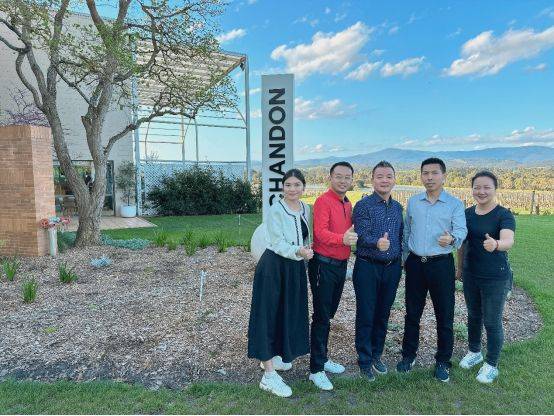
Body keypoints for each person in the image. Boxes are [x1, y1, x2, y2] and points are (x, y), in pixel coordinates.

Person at [397, 157, 467, 383]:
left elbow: (461, 231)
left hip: (441, 265)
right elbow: (407, 231)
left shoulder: (455, 204)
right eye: (425, 173)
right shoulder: (414, 202)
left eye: (434, 173)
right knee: (412, 313)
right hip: (416, 264)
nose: (429, 177)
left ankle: (443, 361)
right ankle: (408, 356)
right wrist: (405, 258)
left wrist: (452, 239)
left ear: (444, 176)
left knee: (444, 315)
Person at [247, 169, 313, 398]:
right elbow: (277, 243)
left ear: (303, 187)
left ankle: (276, 357)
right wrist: (299, 251)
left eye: (297, 185)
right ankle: (268, 375)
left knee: (286, 314)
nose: (292, 189)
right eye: (288, 185)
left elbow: (304, 235)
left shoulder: (305, 208)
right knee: (267, 316)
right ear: (283, 187)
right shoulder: (276, 210)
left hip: (294, 267)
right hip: (274, 267)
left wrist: (306, 249)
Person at [457, 171, 515, 383]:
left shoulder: (503, 215)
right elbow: (462, 243)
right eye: (477, 187)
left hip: (495, 277)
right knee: (473, 316)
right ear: (472, 189)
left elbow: (509, 240)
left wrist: (496, 244)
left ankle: (491, 364)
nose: (481, 191)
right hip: (471, 273)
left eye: (486, 187)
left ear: (495, 189)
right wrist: (459, 268)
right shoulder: (467, 214)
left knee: (492, 321)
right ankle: (474, 352)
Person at [308, 161, 358, 391]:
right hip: (323, 266)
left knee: (328, 315)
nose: (343, 180)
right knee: (321, 317)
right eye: (338, 176)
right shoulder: (323, 201)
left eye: (347, 177)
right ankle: (316, 369)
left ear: (352, 180)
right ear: (330, 178)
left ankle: (323, 358)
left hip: (340, 266)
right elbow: (320, 233)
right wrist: (342, 239)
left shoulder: (347, 203)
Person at [352, 161, 403, 380]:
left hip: (392, 269)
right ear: (372, 180)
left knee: (383, 313)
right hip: (367, 266)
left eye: (389, 176)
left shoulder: (398, 207)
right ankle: (364, 360)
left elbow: (400, 236)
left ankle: (376, 355)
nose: (384, 180)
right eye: (380, 176)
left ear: (394, 180)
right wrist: (376, 243)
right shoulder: (363, 206)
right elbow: (360, 235)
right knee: (366, 314)